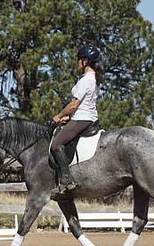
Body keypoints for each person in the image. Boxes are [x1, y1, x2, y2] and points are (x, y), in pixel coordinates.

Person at [51, 45, 101, 193]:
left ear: (85, 61)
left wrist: (58, 116)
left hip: (82, 118)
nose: (77, 62)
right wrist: (68, 117)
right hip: (85, 117)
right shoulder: (93, 79)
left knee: (56, 144)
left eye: (79, 59)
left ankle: (67, 180)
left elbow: (74, 104)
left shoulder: (86, 80)